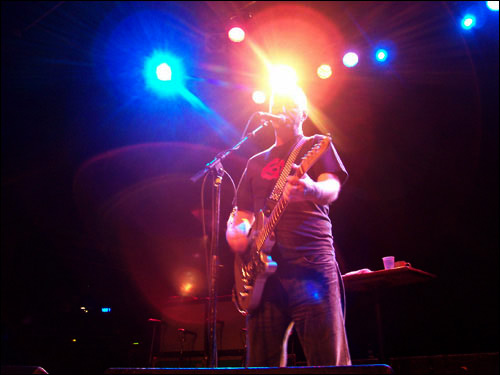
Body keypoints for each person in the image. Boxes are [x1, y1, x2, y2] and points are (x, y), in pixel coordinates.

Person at [226, 86, 351, 367]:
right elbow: (243, 213)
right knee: (261, 364)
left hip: (311, 265)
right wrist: (236, 231)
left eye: (290, 104)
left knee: (326, 363)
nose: (282, 108)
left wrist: (310, 190)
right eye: (277, 104)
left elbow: (332, 187)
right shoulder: (254, 162)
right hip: (263, 277)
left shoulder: (315, 145)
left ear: (304, 113)